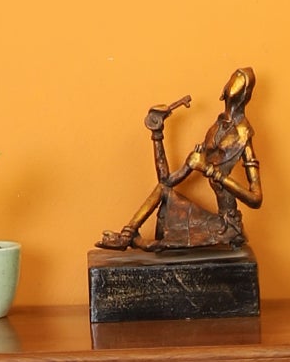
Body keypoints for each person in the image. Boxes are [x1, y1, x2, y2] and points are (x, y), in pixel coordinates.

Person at [98, 67, 263, 251]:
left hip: (228, 226)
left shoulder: (244, 135)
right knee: (162, 190)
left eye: (240, 82)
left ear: (245, 95)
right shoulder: (216, 128)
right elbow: (166, 181)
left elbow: (256, 199)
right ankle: (126, 235)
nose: (234, 85)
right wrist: (157, 133)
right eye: (235, 78)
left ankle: (138, 242)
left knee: (163, 244)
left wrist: (209, 170)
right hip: (215, 221)